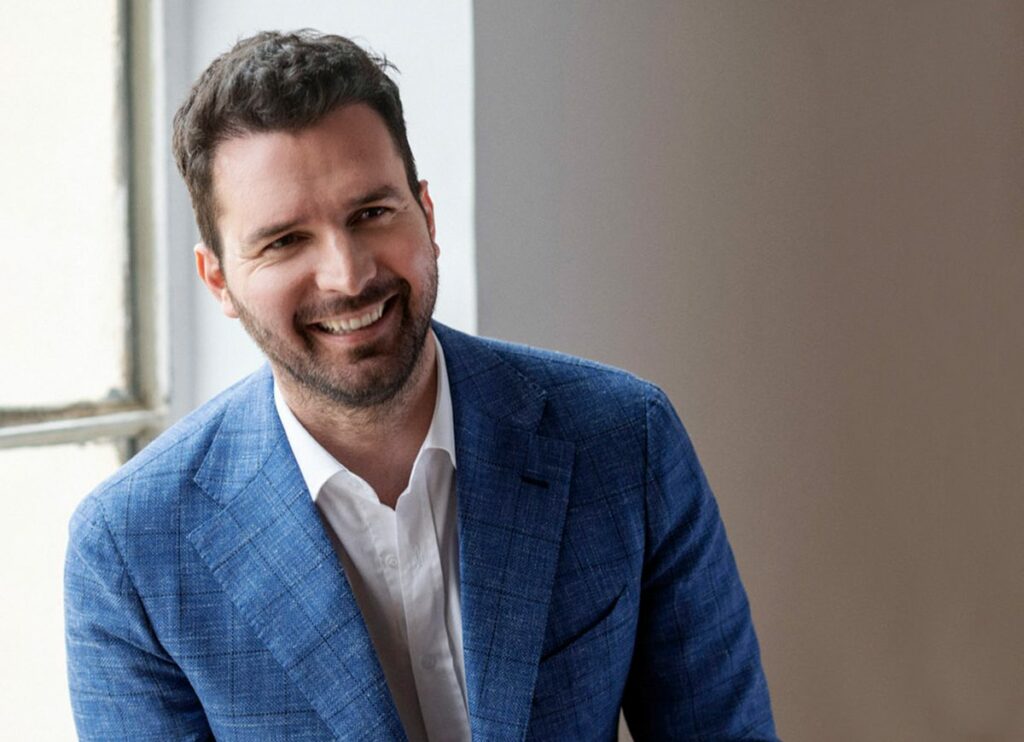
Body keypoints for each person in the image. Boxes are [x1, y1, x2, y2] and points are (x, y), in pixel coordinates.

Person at [65, 30, 777, 741]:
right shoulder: (130, 549)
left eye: (371, 214)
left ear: (426, 216)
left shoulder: (624, 440)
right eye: (284, 241)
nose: (348, 276)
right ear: (218, 279)